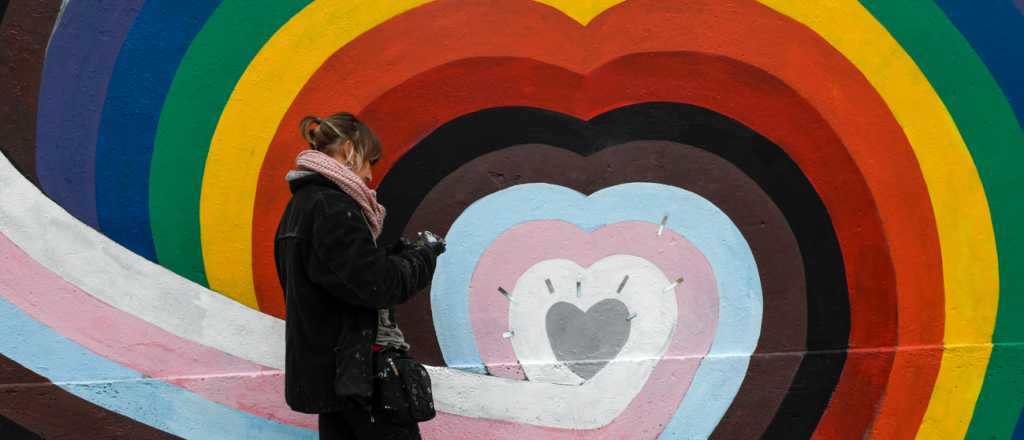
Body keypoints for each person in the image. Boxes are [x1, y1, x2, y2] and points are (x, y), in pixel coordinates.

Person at [274, 112, 445, 439]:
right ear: (349, 150)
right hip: (361, 381)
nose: (369, 175)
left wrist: (395, 255)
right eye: (369, 161)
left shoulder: (300, 208)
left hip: (338, 380)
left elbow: (345, 278)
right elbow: (380, 286)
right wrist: (424, 257)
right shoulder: (333, 209)